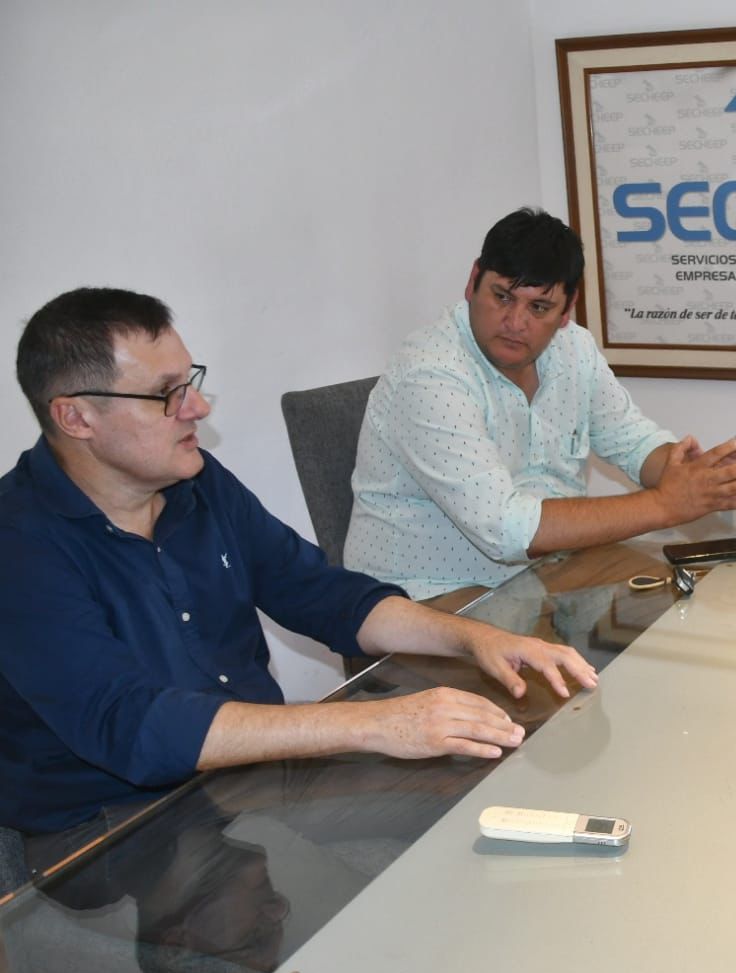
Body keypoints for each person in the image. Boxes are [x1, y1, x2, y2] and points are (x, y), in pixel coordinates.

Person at [0, 287, 598, 845]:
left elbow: (321, 594)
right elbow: (134, 728)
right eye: (167, 394)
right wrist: (374, 723)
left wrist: (475, 638)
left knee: (493, 775)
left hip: (256, 773)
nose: (197, 408)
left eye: (191, 382)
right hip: (120, 828)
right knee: (353, 887)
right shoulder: (20, 545)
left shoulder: (197, 482)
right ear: (76, 418)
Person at [345, 208, 736, 599]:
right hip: (431, 594)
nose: (515, 322)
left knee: (687, 606)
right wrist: (667, 504)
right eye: (502, 296)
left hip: (549, 569)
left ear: (567, 310)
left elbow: (632, 441)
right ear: (473, 281)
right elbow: (505, 530)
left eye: (539, 307)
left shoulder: (573, 348)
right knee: (580, 649)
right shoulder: (431, 373)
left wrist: (691, 477)